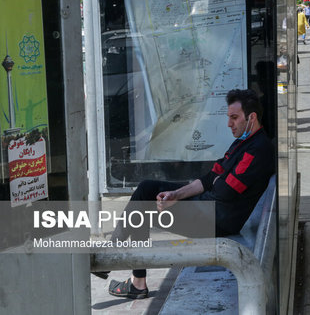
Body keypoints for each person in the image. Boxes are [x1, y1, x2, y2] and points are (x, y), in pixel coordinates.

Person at [95, 89, 275, 299]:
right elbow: (211, 178)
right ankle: (121, 264)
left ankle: (130, 275)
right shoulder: (242, 143)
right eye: (228, 118)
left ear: (251, 117)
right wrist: (176, 195)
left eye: (234, 118)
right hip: (208, 207)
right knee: (146, 188)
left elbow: (225, 191)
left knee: (139, 211)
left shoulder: (258, 150)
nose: (229, 124)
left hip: (216, 220)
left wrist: (216, 183)